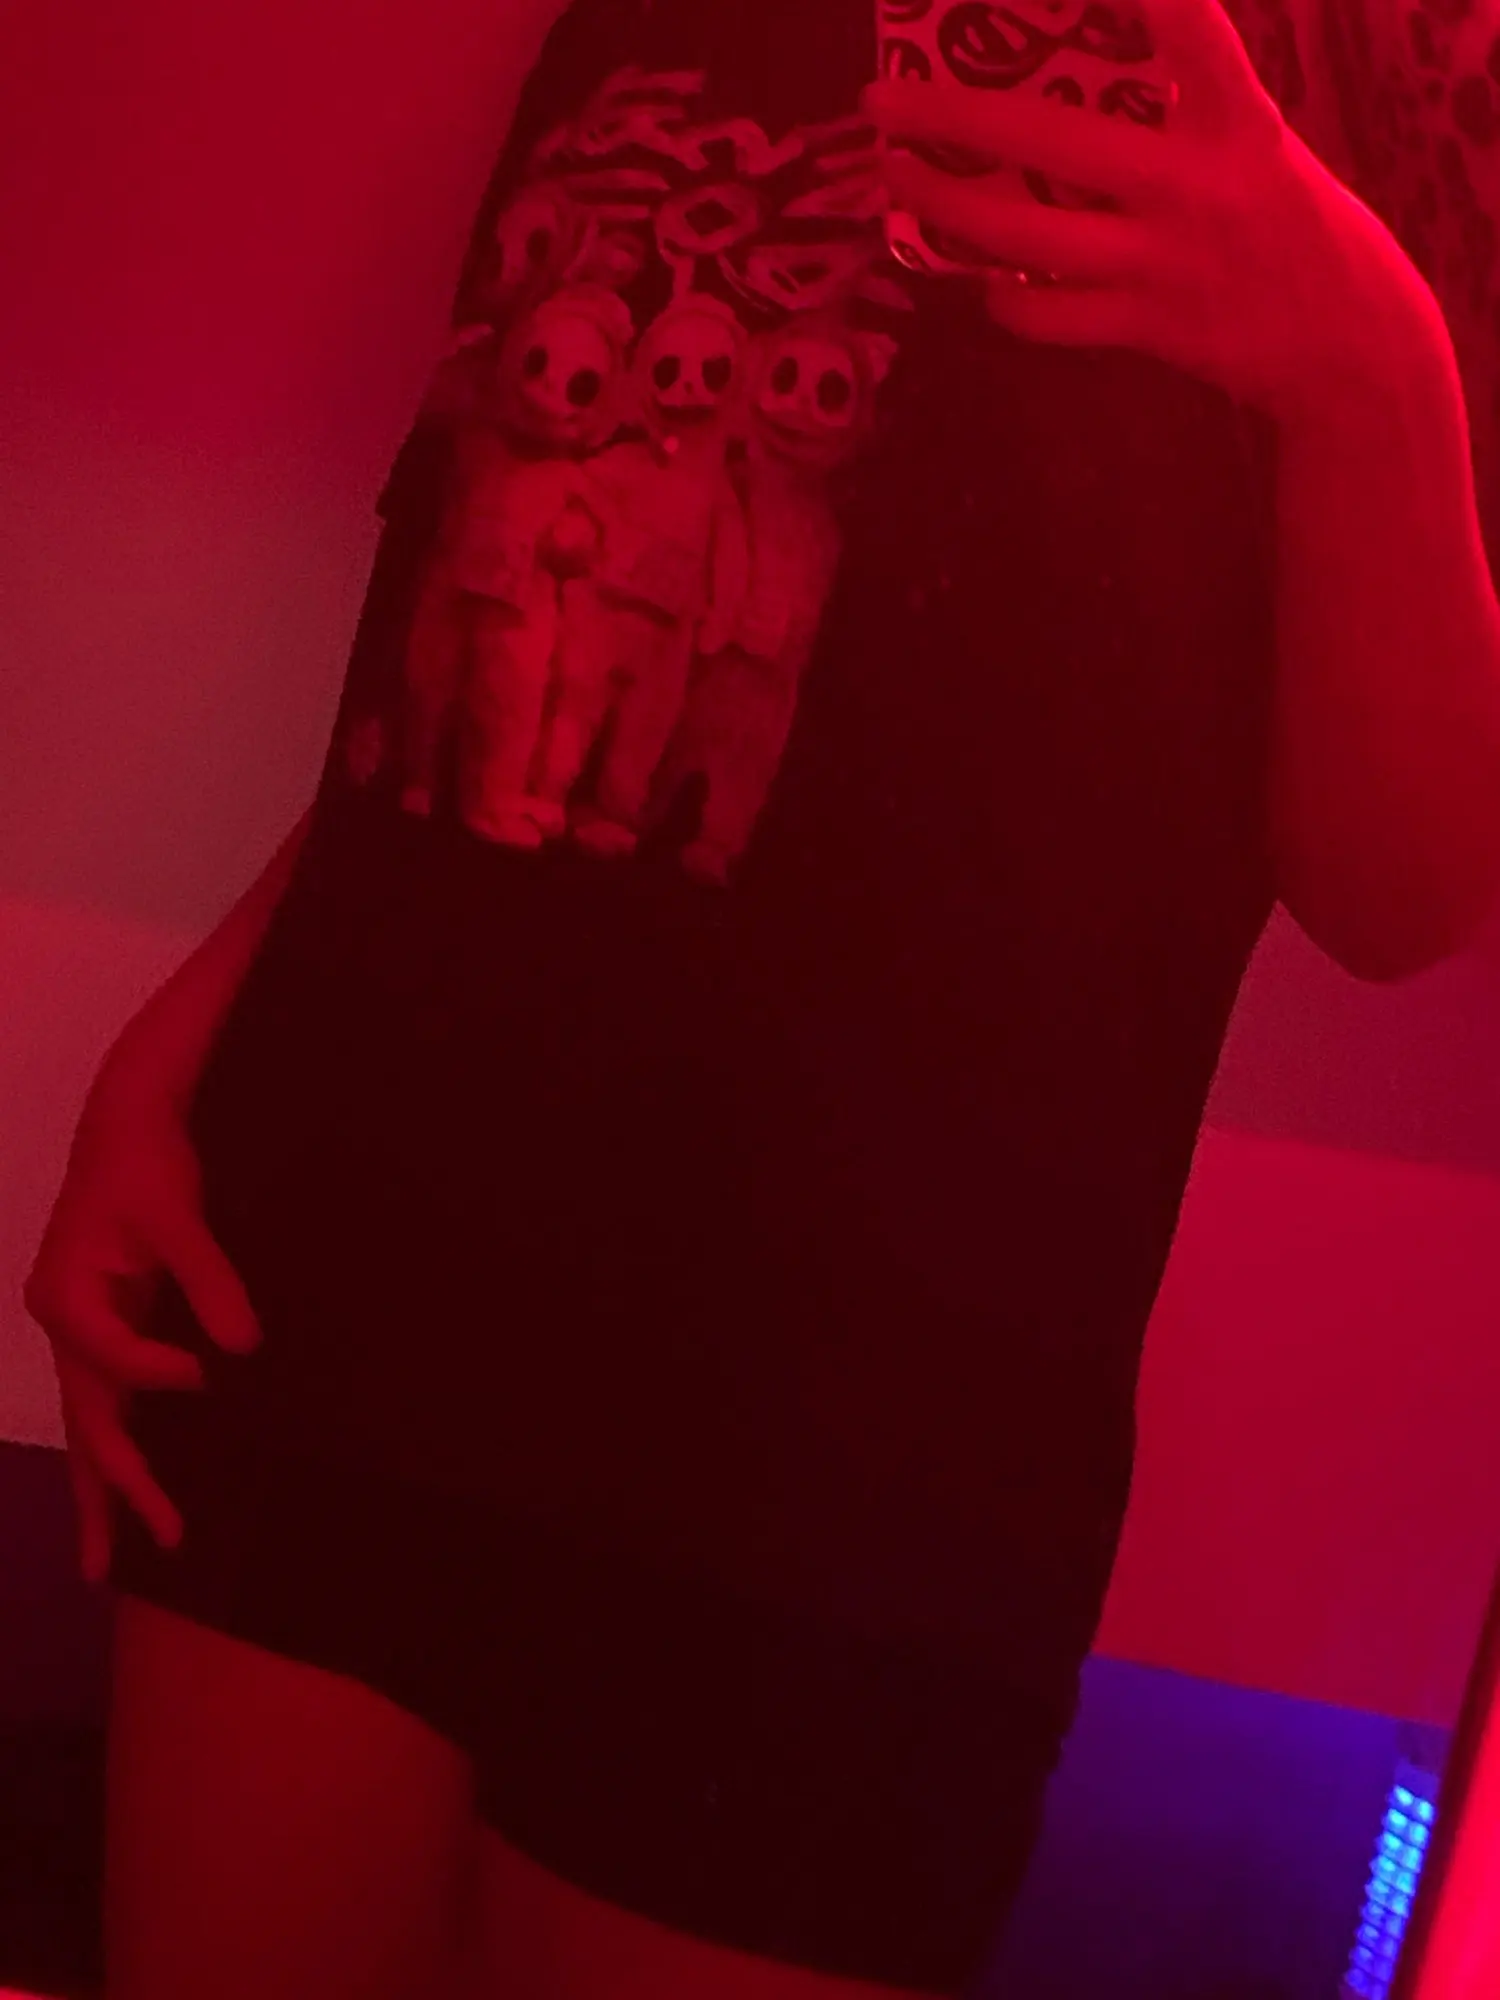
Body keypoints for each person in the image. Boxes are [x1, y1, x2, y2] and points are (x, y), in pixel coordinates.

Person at [24, 0, 1500, 1996]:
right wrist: (199, 1024)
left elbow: (1404, 888)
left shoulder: (1407, 56)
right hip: (332, 1292)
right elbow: (500, 566)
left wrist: (1368, 359)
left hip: (856, 1469)